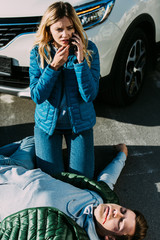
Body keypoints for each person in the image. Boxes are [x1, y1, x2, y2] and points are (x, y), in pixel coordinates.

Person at [0, 137, 148, 240]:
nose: (116, 213)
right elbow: (108, 178)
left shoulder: (72, 235)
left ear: (110, 238)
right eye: (123, 211)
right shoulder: (99, 197)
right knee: (32, 140)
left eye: (120, 222)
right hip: (14, 167)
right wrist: (122, 154)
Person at [29, 1, 100, 178]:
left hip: (79, 125)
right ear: (48, 30)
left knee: (82, 180)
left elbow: (89, 94)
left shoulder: (89, 49)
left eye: (69, 28)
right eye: (59, 29)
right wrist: (53, 67)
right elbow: (37, 96)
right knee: (51, 180)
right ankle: (29, 146)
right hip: (47, 126)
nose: (66, 34)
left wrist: (80, 61)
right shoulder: (38, 53)